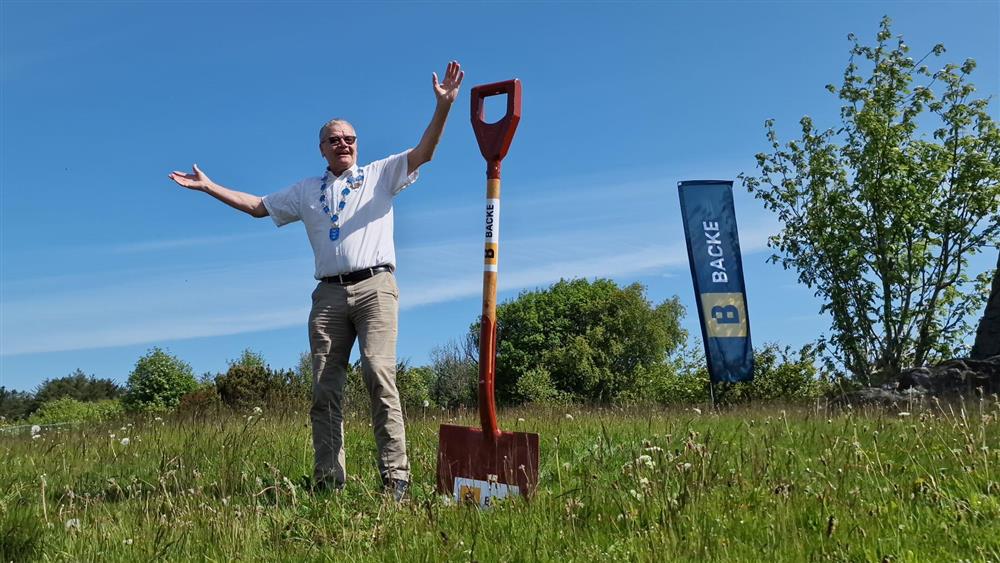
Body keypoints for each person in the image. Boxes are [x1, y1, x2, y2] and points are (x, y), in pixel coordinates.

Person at [169, 61, 465, 502]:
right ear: (322, 149)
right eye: (334, 140)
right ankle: (328, 481)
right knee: (325, 389)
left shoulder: (380, 174)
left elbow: (425, 151)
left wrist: (443, 107)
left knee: (379, 374)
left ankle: (396, 480)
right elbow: (258, 206)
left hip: (375, 287)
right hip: (327, 295)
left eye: (349, 138)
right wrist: (210, 187)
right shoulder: (307, 190)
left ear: (356, 145)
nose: (342, 143)